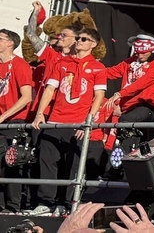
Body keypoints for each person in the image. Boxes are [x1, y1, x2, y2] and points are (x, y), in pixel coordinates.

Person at [30, 27, 106, 215]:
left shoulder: (98, 67)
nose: (79, 41)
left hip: (78, 123)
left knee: (71, 166)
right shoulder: (62, 63)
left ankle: (65, 204)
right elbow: (50, 89)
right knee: (47, 161)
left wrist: (88, 121)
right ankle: (45, 203)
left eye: (84, 39)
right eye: (78, 38)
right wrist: (40, 113)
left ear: (93, 44)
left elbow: (99, 96)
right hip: (55, 119)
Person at [0, 29, 34, 214]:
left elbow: (27, 97)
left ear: (10, 43)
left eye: (0, 39)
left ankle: (13, 207)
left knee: (11, 163)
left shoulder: (20, 65)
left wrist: (4, 117)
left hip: (14, 121)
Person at [103, 34, 154, 125]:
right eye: (137, 53)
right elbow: (110, 72)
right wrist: (93, 69)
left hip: (146, 104)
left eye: (144, 53)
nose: (140, 56)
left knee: (125, 121)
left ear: (152, 50)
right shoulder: (130, 61)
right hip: (127, 106)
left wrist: (120, 94)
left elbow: (144, 82)